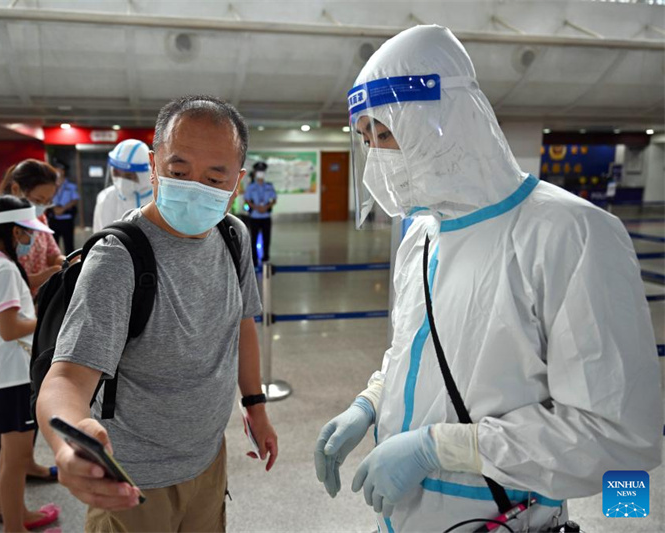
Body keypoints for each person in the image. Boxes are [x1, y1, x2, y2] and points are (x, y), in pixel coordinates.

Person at [314, 25, 662, 533]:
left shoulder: (571, 233)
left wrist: (440, 448)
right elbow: (417, 353)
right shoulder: (422, 236)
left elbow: (617, 437)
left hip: (502, 519)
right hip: (404, 518)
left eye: (385, 134)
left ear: (444, 118)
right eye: (366, 139)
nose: (377, 158)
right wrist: (370, 403)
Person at [37, 95, 279, 533]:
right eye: (179, 171)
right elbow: (67, 378)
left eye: (214, 177)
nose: (195, 187)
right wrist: (66, 444)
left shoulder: (232, 236)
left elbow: (242, 324)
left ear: (237, 181)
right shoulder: (119, 257)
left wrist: (255, 405)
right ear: (154, 165)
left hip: (208, 458)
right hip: (132, 479)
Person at [0, 159, 65, 521]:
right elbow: (8, 326)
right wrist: (44, 322)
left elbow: (49, 253)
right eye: (24, 232)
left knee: (15, 448)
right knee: (8, 444)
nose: (31, 234)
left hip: (4, 359)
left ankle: (16, 511)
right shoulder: (1, 263)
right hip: (9, 362)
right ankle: (7, 511)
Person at [93, 139, 154, 232]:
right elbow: (99, 236)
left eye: (129, 176)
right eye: (117, 174)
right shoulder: (106, 198)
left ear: (145, 175)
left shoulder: (159, 198)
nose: (122, 182)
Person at [243, 161, 277, 265]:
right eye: (258, 171)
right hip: (254, 217)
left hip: (266, 216)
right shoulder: (251, 187)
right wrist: (256, 208)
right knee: (254, 239)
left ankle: (265, 257)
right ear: (255, 172)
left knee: (267, 238)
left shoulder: (269, 186)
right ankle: (255, 259)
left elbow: (274, 199)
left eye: (262, 171)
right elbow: (247, 200)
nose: (260, 173)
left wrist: (267, 207)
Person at [48, 167, 80, 254]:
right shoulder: (51, 186)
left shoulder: (71, 186)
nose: (57, 171)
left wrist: (63, 208)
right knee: (53, 245)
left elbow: (75, 199)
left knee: (69, 246)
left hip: (66, 219)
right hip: (53, 219)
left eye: (58, 169)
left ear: (63, 171)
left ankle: (70, 266)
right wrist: (53, 208)